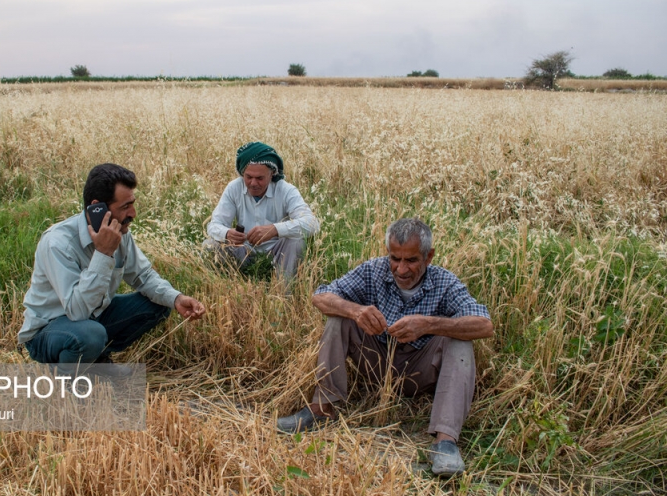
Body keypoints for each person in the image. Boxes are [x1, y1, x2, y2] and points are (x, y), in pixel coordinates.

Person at [276, 218, 493, 476]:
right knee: (338, 320)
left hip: (420, 372)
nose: (401, 269)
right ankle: (321, 410)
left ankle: (445, 442)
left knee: (460, 341)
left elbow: (484, 325)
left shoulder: (445, 282)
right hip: (377, 365)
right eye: (395, 258)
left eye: (411, 260)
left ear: (429, 257)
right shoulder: (373, 271)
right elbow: (321, 296)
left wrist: (428, 325)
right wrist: (356, 311)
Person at [18, 163, 206, 377]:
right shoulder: (58, 243)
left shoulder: (121, 233)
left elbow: (143, 276)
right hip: (48, 332)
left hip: (93, 319)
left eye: (132, 204)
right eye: (125, 206)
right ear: (97, 209)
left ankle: (95, 361)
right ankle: (66, 382)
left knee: (160, 303)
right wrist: (104, 254)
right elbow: (77, 311)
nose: (133, 213)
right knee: (89, 334)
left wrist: (177, 298)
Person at [204, 142, 319, 282]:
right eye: (248, 177)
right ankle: (226, 286)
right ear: (242, 174)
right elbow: (214, 225)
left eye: (260, 178)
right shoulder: (234, 188)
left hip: (278, 254)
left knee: (296, 241)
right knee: (210, 245)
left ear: (271, 174)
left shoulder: (286, 190)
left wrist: (274, 229)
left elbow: (312, 224)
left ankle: (283, 291)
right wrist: (227, 234)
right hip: (243, 252)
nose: (253, 183)